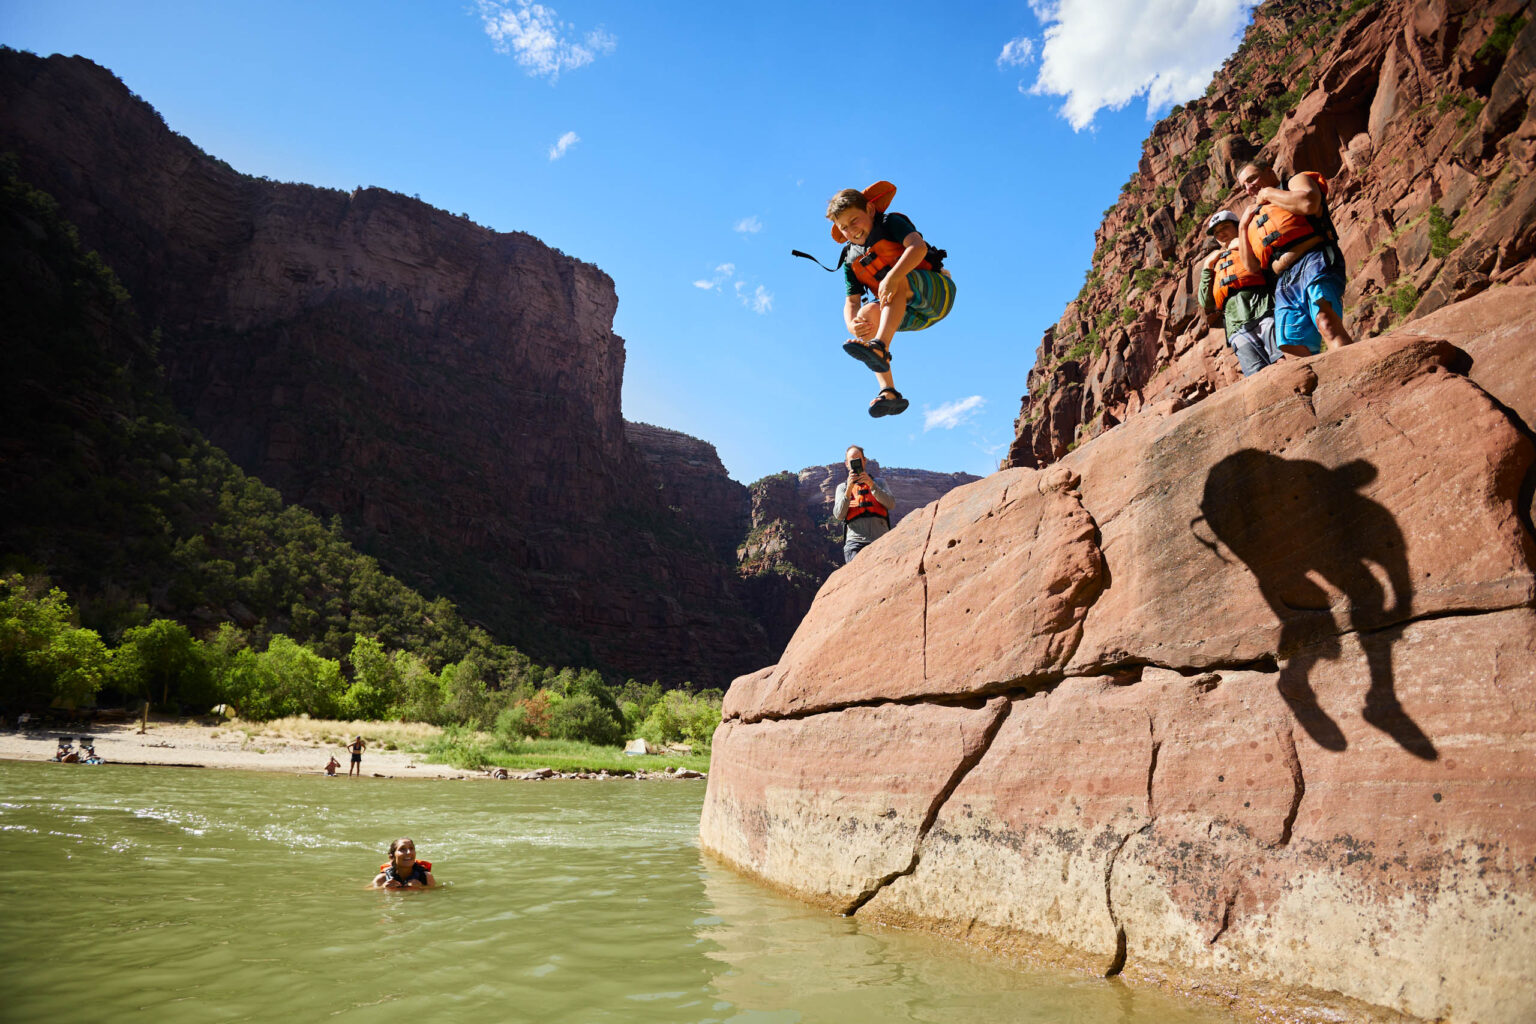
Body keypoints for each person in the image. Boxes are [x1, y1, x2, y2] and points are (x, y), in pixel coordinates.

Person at [826, 183, 956, 417]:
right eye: (843, 227)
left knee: (894, 280)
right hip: (908, 314)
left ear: (870, 210)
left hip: (937, 295)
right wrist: (851, 323)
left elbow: (918, 247)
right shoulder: (849, 259)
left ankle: (881, 347)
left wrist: (894, 276)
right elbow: (852, 301)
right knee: (863, 318)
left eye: (854, 220)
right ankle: (889, 391)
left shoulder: (889, 224)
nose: (851, 230)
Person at [1236, 160, 1353, 357]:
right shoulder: (1254, 216)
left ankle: (1356, 370)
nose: (1249, 188)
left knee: (1327, 324)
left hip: (1315, 260)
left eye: (1252, 179)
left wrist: (1268, 193)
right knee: (1292, 346)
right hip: (1285, 282)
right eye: (1244, 186)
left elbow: (1309, 202)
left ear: (1269, 172)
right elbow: (1251, 266)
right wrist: (1242, 226)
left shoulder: (1294, 182)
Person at [1198, 210, 1280, 376]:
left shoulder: (1253, 242)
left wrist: (1244, 246)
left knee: (1282, 359)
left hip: (1265, 310)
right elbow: (1205, 301)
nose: (1221, 234)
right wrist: (1207, 268)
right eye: (1216, 232)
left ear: (1237, 226)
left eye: (1225, 227)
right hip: (1236, 325)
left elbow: (1271, 266)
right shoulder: (1215, 262)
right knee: (1256, 375)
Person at [831, 445, 896, 563]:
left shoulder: (880, 483)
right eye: (852, 461)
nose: (855, 463)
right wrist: (849, 489)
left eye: (858, 459)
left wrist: (872, 485)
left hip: (881, 539)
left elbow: (891, 504)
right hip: (855, 544)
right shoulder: (842, 488)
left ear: (864, 461)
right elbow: (839, 515)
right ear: (846, 464)